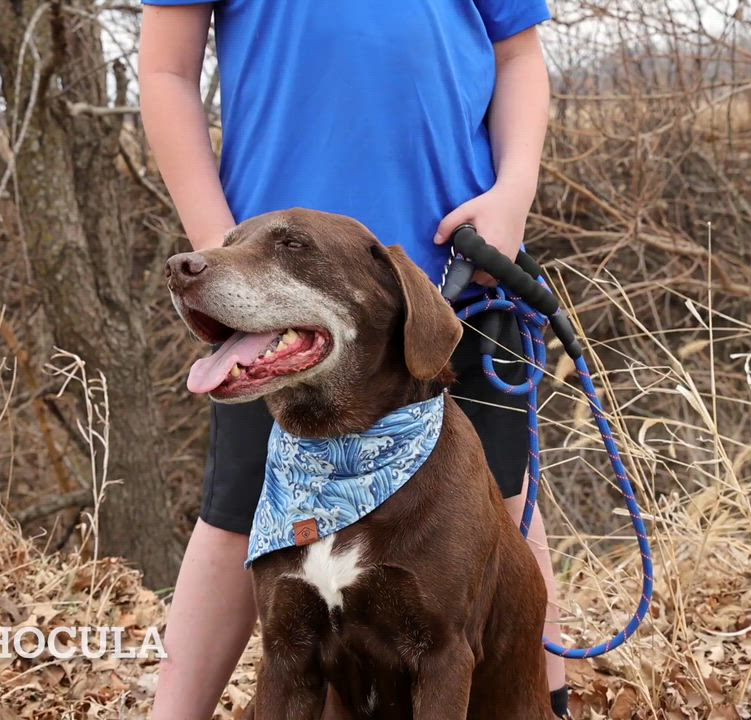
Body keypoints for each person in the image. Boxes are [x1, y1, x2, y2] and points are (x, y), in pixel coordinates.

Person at [138, 2, 568, 718]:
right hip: (279, 282)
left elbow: (518, 56)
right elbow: (164, 70)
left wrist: (512, 195)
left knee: (503, 497)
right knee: (239, 513)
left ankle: (548, 705)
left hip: (464, 265)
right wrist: (222, 247)